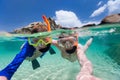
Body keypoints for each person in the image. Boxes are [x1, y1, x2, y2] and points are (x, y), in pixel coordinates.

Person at [0, 15, 55, 80]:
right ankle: (33, 60)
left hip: (39, 50)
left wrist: (47, 21)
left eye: (43, 40)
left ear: (47, 38)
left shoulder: (48, 40)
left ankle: (44, 49)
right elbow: (14, 64)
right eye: (35, 41)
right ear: (31, 39)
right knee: (32, 55)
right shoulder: (27, 49)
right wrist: (5, 75)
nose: (39, 45)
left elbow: (49, 28)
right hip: (29, 55)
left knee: (46, 47)